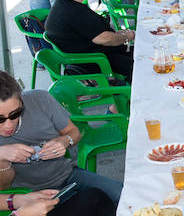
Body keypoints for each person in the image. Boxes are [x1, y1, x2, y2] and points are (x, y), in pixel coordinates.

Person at [0, 70, 123, 205]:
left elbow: (74, 132)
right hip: (28, 195)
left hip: (68, 176)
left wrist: (64, 141)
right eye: (0, 119)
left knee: (126, 197)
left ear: (21, 99)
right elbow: (4, 187)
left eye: (15, 113)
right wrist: (2, 157)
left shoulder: (40, 99)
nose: (8, 125)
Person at [45, 0, 135, 84]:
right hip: (94, 61)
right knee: (142, 63)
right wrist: (127, 36)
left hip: (79, 58)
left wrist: (122, 35)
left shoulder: (60, 6)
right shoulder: (75, 11)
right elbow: (105, 39)